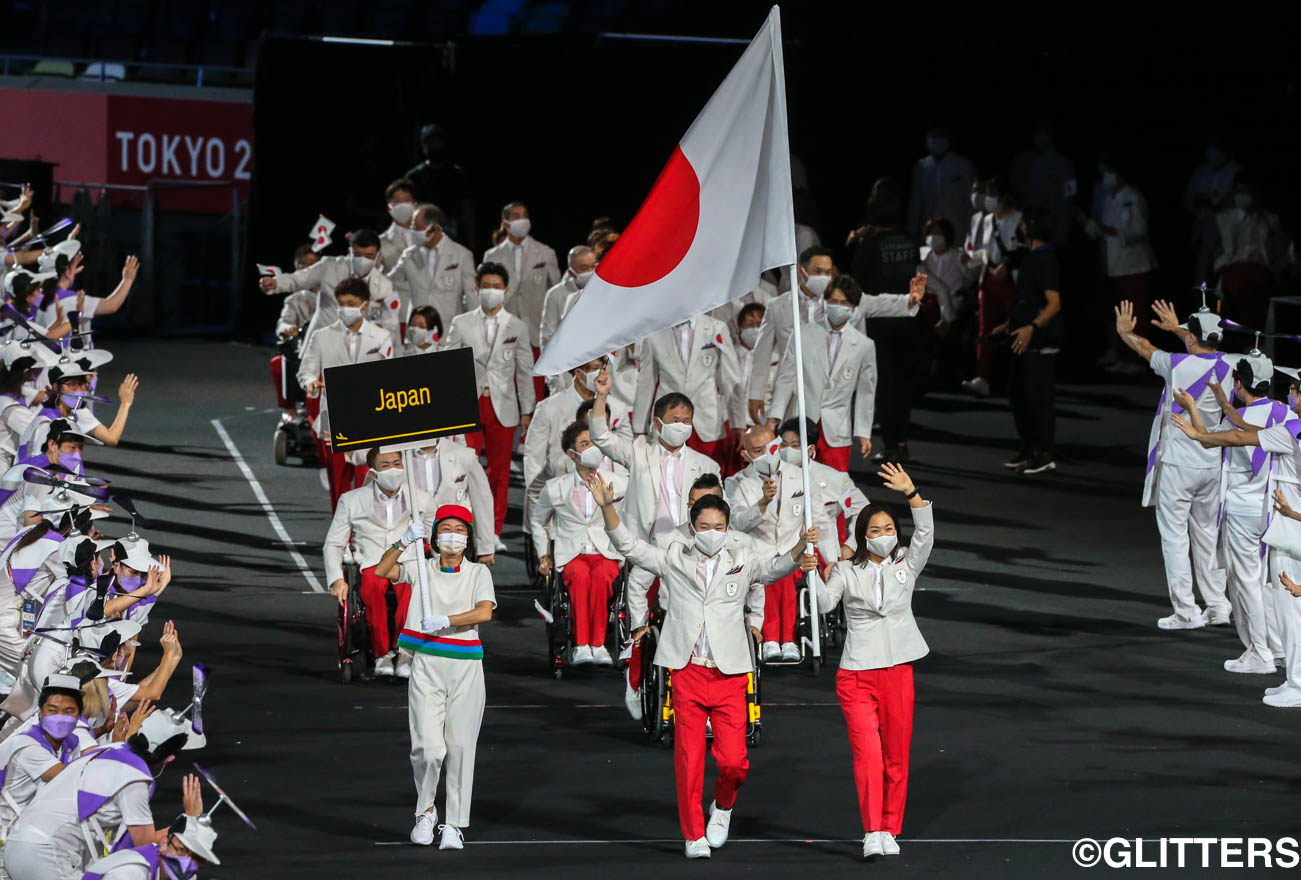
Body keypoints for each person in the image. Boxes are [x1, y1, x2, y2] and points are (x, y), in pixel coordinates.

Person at [588, 475, 817, 858]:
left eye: (720, 526)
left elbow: (774, 569)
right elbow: (629, 546)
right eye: (705, 526)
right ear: (693, 528)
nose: (712, 532)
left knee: (735, 763)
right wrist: (608, 507)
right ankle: (693, 834)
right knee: (689, 760)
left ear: (728, 529)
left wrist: (799, 547)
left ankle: (723, 806)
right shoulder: (673, 556)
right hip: (688, 670)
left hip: (730, 673)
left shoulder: (742, 559)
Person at [818, 462, 933, 860]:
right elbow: (824, 604)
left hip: (899, 670)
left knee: (896, 756)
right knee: (868, 755)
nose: (883, 536)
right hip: (857, 674)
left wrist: (911, 493)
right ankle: (871, 830)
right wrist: (812, 574)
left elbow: (925, 534)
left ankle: (890, 827)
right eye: (875, 530)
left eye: (888, 529)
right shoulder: (846, 570)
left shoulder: (907, 564)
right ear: (862, 535)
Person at [588, 382, 721, 716]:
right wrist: (601, 396)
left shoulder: (707, 465)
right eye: (676, 420)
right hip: (647, 546)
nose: (683, 426)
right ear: (657, 422)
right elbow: (601, 436)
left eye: (687, 420)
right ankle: (635, 680)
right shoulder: (638, 450)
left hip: (691, 548)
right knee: (640, 613)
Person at [375, 505, 495, 851]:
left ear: (468, 538)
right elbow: (382, 570)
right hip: (427, 664)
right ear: (434, 535)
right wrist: (402, 540)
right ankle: (425, 811)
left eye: (460, 530)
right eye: (446, 528)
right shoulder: (421, 567)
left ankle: (454, 824)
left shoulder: (478, 573)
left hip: (466, 666)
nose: (452, 536)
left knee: (460, 748)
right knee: (427, 749)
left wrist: (447, 621)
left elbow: (484, 612)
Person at [1171, 351, 1293, 673]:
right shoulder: (1285, 413)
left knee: (1245, 584)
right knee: (1268, 582)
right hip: (1273, 510)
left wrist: (1192, 411)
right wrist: (1216, 407)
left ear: (1238, 384)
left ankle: (1259, 653)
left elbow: (1210, 441)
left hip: (1242, 512)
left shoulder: (1237, 418)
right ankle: (1279, 649)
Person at [1115, 299, 1230, 629]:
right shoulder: (1231, 365)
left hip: (1179, 464)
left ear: (1192, 337)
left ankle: (1186, 611)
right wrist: (1181, 329)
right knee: (1207, 536)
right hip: (1211, 463)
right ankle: (1218, 605)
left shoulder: (1177, 364)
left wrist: (1125, 333)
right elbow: (1203, 347)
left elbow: (1146, 348)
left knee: (1175, 537)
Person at [3, 706, 203, 880]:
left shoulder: (105, 750)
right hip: (46, 856)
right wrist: (189, 821)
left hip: (15, 846)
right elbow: (142, 848)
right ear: (169, 759)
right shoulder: (134, 776)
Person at [726, 424, 838, 661]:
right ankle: (772, 638)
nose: (766, 454)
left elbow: (821, 520)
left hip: (792, 552)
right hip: (757, 553)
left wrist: (832, 559)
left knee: (785, 570)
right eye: (757, 451)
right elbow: (737, 522)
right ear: (745, 455)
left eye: (770, 447)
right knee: (769, 573)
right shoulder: (736, 482)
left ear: (777, 445)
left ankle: (787, 639)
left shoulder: (801, 476)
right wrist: (762, 504)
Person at [324, 448, 438, 679]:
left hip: (407, 561)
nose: (393, 469)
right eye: (385, 465)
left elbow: (434, 539)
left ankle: (404, 654)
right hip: (372, 562)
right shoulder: (351, 500)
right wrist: (336, 579)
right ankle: (381, 655)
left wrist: (445, 567)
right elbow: (333, 543)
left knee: (411, 594)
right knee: (372, 589)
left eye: (397, 463)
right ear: (373, 473)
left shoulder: (421, 499)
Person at [444, 263, 536, 549]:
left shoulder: (517, 326)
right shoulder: (461, 323)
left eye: (496, 286)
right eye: (486, 286)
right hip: (467, 404)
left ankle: (493, 531)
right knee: (462, 468)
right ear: (477, 288)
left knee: (500, 473)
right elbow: (446, 363)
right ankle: (466, 526)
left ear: (506, 290)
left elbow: (525, 371)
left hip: (503, 407)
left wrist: (527, 409)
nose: (491, 291)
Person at [532, 421, 628, 665]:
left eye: (595, 443)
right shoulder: (555, 487)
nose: (592, 448)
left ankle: (599, 645)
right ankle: (582, 645)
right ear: (572, 454)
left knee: (601, 578)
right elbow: (538, 522)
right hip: (572, 554)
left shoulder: (620, 484)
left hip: (606, 552)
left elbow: (632, 518)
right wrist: (543, 554)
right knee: (580, 577)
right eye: (585, 444)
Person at [296, 278, 394, 509]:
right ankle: (340, 531)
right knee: (338, 484)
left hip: (369, 421)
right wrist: (310, 383)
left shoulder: (381, 337)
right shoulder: (321, 336)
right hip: (333, 420)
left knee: (366, 481)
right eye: (341, 304)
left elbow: (389, 376)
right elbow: (306, 371)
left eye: (351, 303)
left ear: (365, 305)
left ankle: (362, 530)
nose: (344, 309)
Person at [769, 275, 878, 471]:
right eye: (833, 301)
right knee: (794, 479)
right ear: (825, 302)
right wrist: (775, 415)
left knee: (834, 484)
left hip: (837, 429)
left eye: (844, 303)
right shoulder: (802, 333)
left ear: (854, 308)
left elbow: (866, 392)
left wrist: (863, 432)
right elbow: (786, 377)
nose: (838, 306)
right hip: (801, 422)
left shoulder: (864, 345)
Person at [522, 356, 631, 538]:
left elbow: (626, 459)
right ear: (578, 373)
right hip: (563, 505)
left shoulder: (617, 409)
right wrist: (540, 507)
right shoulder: (549, 408)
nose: (599, 374)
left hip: (608, 503)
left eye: (600, 367)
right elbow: (534, 460)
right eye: (593, 368)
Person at [851, 194, 923, 463]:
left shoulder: (868, 245)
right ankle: (900, 442)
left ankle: (892, 445)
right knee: (903, 384)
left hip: (880, 321)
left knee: (884, 384)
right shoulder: (911, 240)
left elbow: (857, 286)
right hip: (909, 318)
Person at [994, 207, 1062, 475]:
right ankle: (1030, 447)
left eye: (1023, 223)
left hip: (1040, 339)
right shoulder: (1031, 258)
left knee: (1037, 398)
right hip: (1022, 337)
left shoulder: (1046, 260)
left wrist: (1032, 327)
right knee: (1018, 395)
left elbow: (1054, 304)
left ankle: (1044, 452)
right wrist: (1010, 324)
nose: (1020, 227)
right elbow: (1027, 299)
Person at [261, 228, 400, 349]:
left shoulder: (385, 286)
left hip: (359, 353)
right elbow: (298, 279)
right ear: (350, 252)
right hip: (322, 345)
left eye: (369, 256)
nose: (363, 260)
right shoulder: (329, 267)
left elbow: (391, 325)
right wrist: (275, 283)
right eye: (358, 255)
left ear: (378, 256)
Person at [633, 312, 744, 463]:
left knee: (708, 472)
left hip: (706, 419)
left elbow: (731, 379)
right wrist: (639, 429)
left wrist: (738, 423)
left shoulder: (716, 327)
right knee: (666, 472)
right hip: (667, 420)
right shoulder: (653, 332)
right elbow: (646, 381)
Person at [1083, 157, 1157, 370]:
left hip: (1133, 266)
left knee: (1135, 314)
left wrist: (1106, 229)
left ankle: (1137, 359)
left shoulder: (1133, 198)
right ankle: (1121, 356)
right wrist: (1089, 223)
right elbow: (1099, 230)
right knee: (1118, 314)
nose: (1105, 177)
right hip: (1112, 266)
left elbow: (1138, 231)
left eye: (1109, 172)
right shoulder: (1107, 198)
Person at [482, 201, 561, 384]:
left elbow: (555, 290)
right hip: (503, 328)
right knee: (504, 384)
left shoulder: (545, 253)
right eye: (516, 216)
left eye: (525, 215)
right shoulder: (492, 255)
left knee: (535, 383)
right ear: (505, 224)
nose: (522, 220)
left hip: (535, 327)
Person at [0, 674, 87, 836]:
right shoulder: (27, 746)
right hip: (7, 833)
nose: (60, 717)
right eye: (52, 710)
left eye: (69, 711)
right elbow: (70, 782)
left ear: (79, 715)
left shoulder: (72, 743)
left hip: (32, 828)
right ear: (40, 712)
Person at [960, 179, 1023, 398]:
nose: (987, 199)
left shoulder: (1019, 219)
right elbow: (985, 252)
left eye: (992, 194)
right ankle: (983, 377)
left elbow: (1025, 250)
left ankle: (1020, 378)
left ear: (1005, 196)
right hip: (989, 278)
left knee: (1017, 326)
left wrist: (1008, 266)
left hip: (1011, 280)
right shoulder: (987, 220)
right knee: (985, 328)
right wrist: (970, 258)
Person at [1212, 180, 1290, 329]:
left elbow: (1279, 250)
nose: (1243, 196)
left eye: (1247, 192)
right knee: (1238, 285)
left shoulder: (1270, 220)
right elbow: (1217, 250)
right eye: (1240, 192)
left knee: (1258, 287)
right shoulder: (1224, 218)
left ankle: (1255, 332)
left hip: (1260, 268)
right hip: (1232, 266)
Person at [387, 204, 477, 328]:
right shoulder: (409, 255)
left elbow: (471, 295)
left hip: (450, 330)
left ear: (435, 229)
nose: (412, 231)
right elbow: (389, 282)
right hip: (417, 330)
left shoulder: (461, 255)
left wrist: (476, 329)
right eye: (412, 226)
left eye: (417, 227)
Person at [403, 123, 475, 248]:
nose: (435, 146)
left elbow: (467, 208)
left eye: (437, 142)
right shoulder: (414, 177)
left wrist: (471, 241)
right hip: (422, 231)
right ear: (423, 146)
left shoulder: (456, 174)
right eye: (431, 143)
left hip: (451, 232)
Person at [1182, 137, 1241, 284]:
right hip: (1204, 230)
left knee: (1226, 272)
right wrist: (1205, 200)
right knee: (1201, 273)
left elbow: (1223, 201)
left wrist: (1211, 200)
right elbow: (1189, 200)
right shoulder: (1200, 172)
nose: (1212, 153)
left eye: (1217, 148)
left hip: (1228, 231)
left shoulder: (1237, 171)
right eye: (1210, 148)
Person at [1009, 123, 1077, 246]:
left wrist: (1061, 234)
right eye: (1038, 132)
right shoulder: (1021, 161)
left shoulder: (1065, 165)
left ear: (1052, 135)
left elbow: (1069, 201)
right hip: (1026, 229)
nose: (1041, 136)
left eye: (1045, 132)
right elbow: (1015, 194)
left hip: (1051, 230)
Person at [906, 126, 976, 239]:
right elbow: (916, 203)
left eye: (940, 136)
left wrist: (973, 230)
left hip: (957, 228)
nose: (936, 140)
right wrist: (912, 230)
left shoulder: (964, 166)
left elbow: (970, 202)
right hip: (929, 228)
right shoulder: (921, 166)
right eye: (933, 136)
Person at [538, 245, 598, 354]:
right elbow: (548, 336)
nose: (591, 271)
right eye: (584, 268)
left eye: (593, 266)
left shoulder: (606, 289)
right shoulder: (555, 295)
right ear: (571, 273)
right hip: (568, 355)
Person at [379, 178, 418, 272]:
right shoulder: (380, 243)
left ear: (414, 204)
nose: (402, 205)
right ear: (389, 207)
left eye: (406, 200)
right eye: (396, 201)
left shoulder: (431, 234)